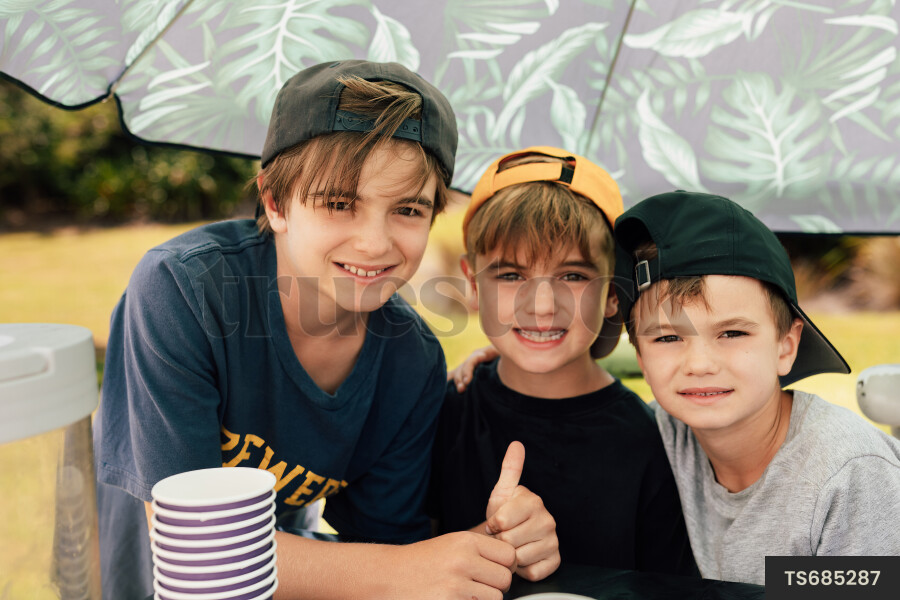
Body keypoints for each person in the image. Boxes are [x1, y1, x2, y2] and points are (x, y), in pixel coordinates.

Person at [93, 60, 522, 600]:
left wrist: (474, 551)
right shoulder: (184, 291)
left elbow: (382, 548)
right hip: (139, 569)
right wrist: (405, 568)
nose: (374, 243)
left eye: (408, 209)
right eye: (340, 203)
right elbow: (198, 549)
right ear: (275, 202)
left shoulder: (411, 362)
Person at [428, 147, 697, 576]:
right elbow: (396, 560)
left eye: (572, 276)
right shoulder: (439, 415)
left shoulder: (653, 445)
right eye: (511, 275)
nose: (541, 306)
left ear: (613, 293)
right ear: (473, 284)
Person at [612, 190, 900, 584]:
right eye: (667, 338)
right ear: (642, 360)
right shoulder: (662, 434)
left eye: (732, 333)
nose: (700, 365)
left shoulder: (848, 476)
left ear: (786, 346)